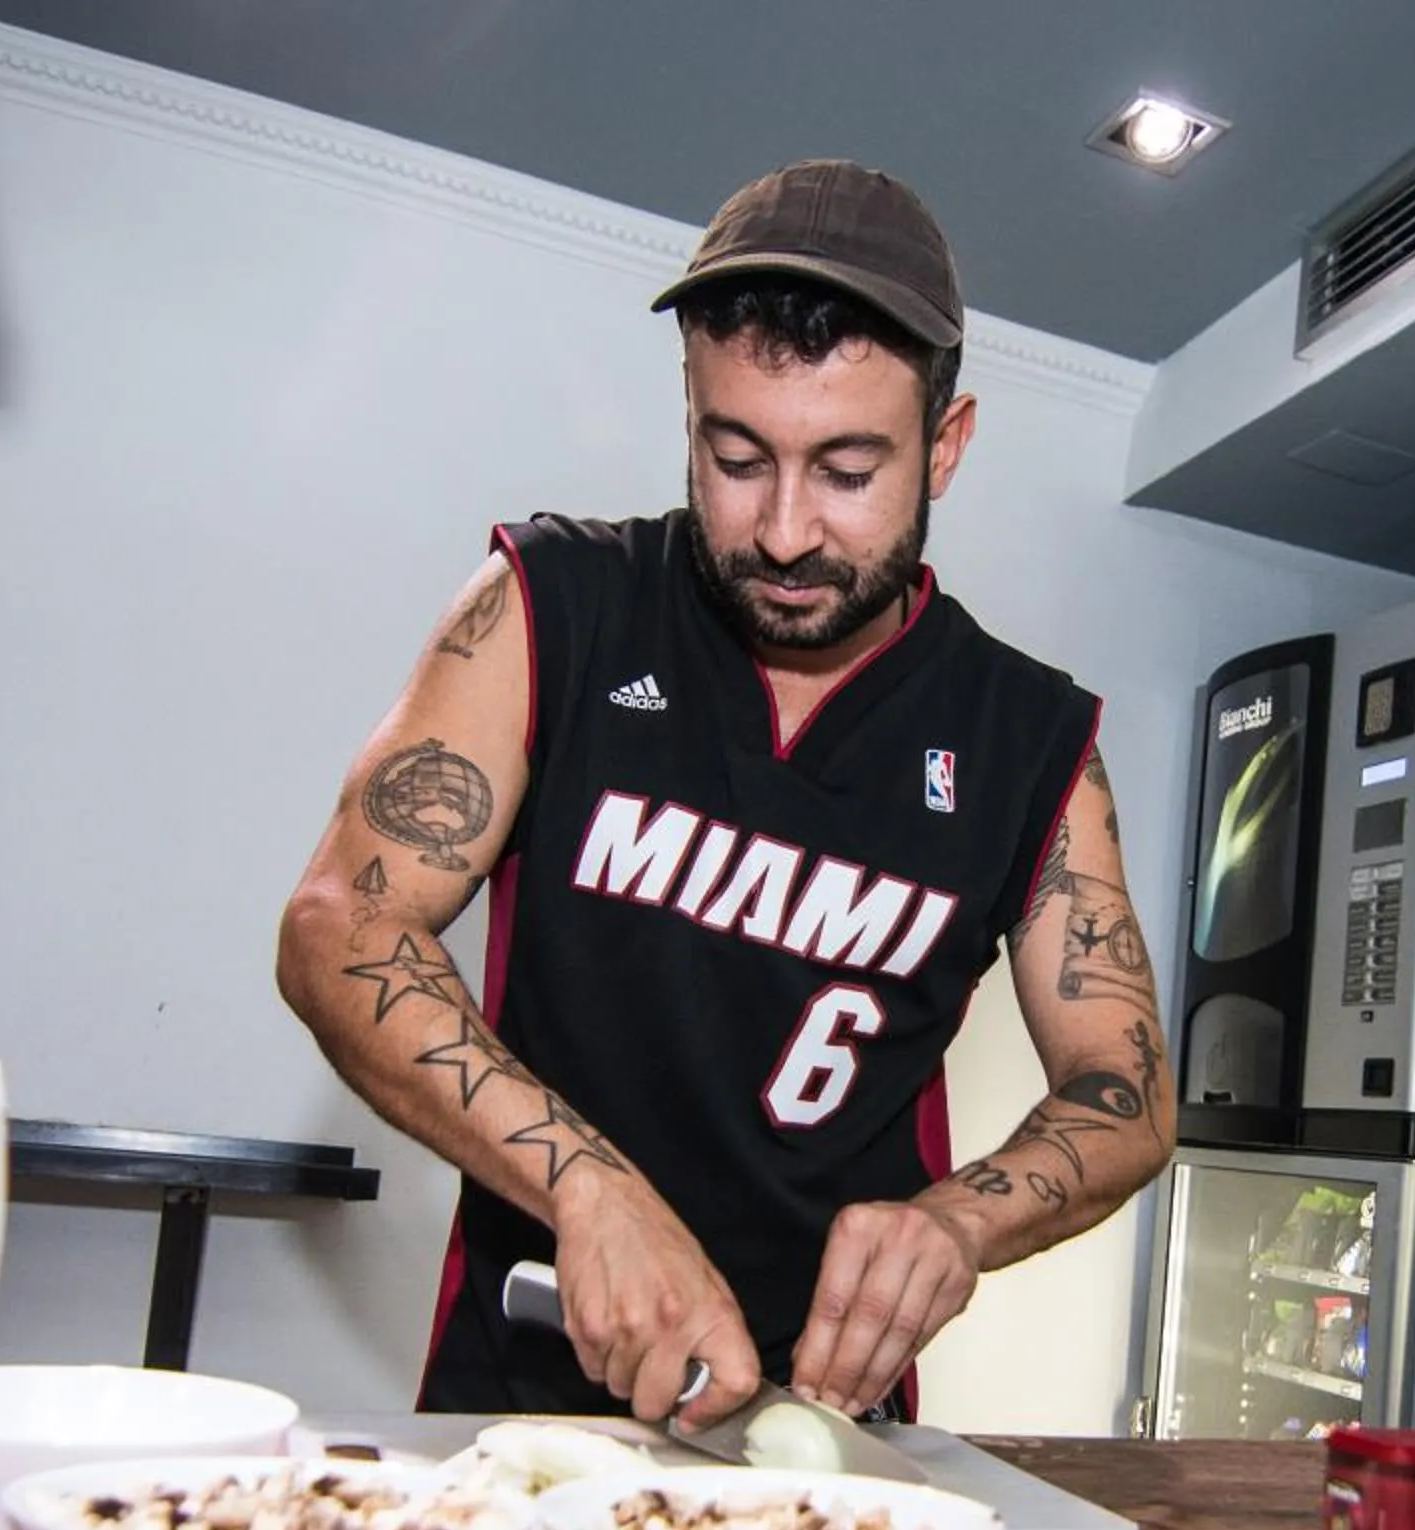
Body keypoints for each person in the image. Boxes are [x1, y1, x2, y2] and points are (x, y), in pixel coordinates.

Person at [276, 159, 1171, 1429]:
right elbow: (339, 927)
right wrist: (589, 1186)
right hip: (528, 1392)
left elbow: (1123, 1092)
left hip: (830, 1423)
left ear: (947, 444)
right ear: (689, 414)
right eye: (737, 456)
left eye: (850, 471)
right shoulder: (550, 608)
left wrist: (956, 1222)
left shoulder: (1030, 739)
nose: (787, 531)